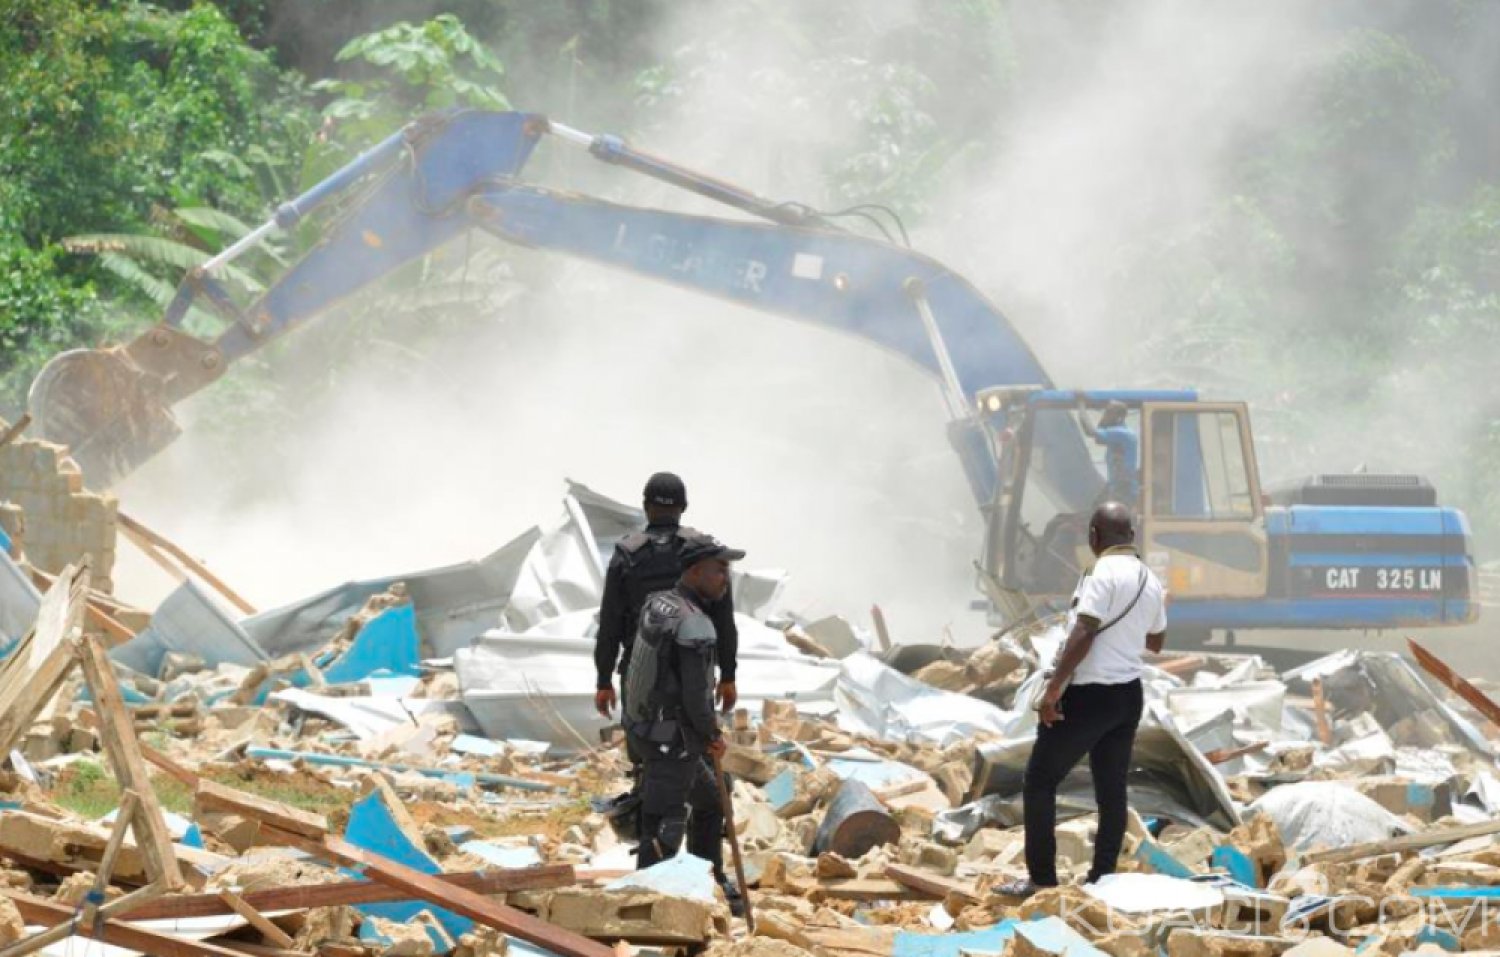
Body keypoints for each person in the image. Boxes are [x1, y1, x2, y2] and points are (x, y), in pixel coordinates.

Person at [1001, 501, 1167, 898]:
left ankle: (1041, 879)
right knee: (1112, 790)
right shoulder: (1150, 580)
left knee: (1040, 780)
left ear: (1094, 536)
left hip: (1090, 695)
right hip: (1128, 695)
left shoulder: (1100, 572)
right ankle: (1102, 877)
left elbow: (1084, 632)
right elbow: (1156, 642)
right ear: (1131, 536)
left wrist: (1054, 688)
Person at [623, 534, 745, 913]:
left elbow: (635, 664)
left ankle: (706, 877)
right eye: (719, 569)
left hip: (644, 730)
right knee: (662, 827)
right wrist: (712, 734)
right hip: (673, 741)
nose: (725, 578)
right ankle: (647, 911)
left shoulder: (658, 603)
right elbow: (695, 695)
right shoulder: (695, 625)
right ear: (694, 571)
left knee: (711, 801)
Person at [594, 472, 739, 722]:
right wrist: (728, 676)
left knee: (643, 744)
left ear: (645, 506)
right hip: (693, 669)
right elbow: (724, 621)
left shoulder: (626, 555)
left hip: (640, 667)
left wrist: (604, 681)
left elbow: (610, 624)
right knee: (695, 743)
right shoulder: (703, 553)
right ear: (683, 507)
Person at [1078, 400, 1140, 506]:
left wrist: (1080, 403)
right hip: (1117, 487)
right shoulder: (1116, 435)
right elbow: (1098, 440)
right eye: (1105, 413)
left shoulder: (1122, 433)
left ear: (1119, 418)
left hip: (1123, 490)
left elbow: (1090, 431)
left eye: (1109, 413)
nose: (1105, 416)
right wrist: (1105, 419)